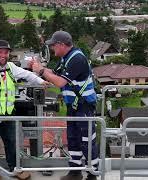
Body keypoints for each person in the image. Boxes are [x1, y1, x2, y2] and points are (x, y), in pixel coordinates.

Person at [0, 40, 48, 180]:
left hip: (8, 114)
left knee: (12, 142)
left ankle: (15, 169)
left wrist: (41, 82)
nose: (3, 55)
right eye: (0, 52)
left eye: (6, 52)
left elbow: (26, 74)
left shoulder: (11, 67)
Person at [30, 31, 99, 180]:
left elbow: (60, 82)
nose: (53, 48)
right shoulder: (67, 58)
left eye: (54, 45)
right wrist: (40, 68)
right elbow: (54, 74)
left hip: (83, 107)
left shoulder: (77, 59)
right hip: (74, 106)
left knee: (86, 141)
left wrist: (41, 70)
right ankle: (75, 172)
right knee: (73, 139)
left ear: (61, 45)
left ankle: (92, 175)